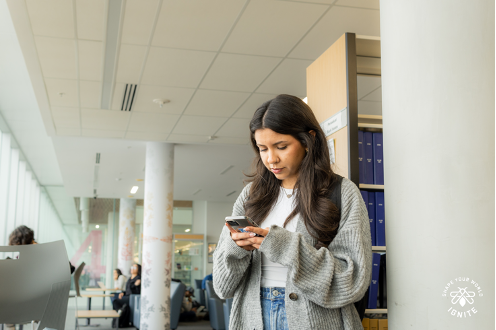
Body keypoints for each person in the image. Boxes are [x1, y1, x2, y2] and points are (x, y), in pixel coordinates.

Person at [213, 94, 372, 330]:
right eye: (262, 148)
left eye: (281, 146)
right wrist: (235, 249)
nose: (271, 159)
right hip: (253, 316)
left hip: (318, 320)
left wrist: (283, 246)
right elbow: (222, 287)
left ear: (309, 140)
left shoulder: (342, 192)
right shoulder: (250, 196)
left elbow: (352, 281)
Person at [112, 264, 141, 328]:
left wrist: (136, 285)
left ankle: (119, 315)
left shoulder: (138, 278)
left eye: (134, 267)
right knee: (114, 298)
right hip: (127, 296)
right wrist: (123, 293)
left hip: (131, 298)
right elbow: (128, 289)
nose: (132, 268)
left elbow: (135, 291)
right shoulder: (130, 278)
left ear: (138, 269)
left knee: (116, 301)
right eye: (132, 267)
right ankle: (120, 315)